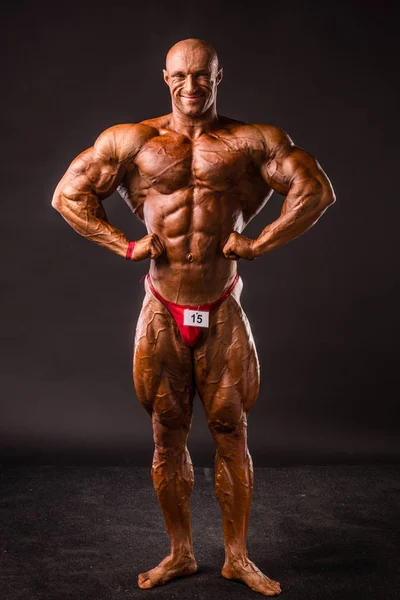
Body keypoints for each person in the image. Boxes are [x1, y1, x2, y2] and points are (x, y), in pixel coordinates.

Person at [52, 38, 335, 596]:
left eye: (201, 76)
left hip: (221, 307)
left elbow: (315, 190)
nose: (190, 86)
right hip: (161, 308)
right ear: (165, 78)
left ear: (217, 76)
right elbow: (69, 194)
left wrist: (260, 242)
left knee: (232, 432)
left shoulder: (253, 141)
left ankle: (237, 558)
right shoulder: (132, 141)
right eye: (180, 76)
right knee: (166, 437)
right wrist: (124, 244)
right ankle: (180, 554)